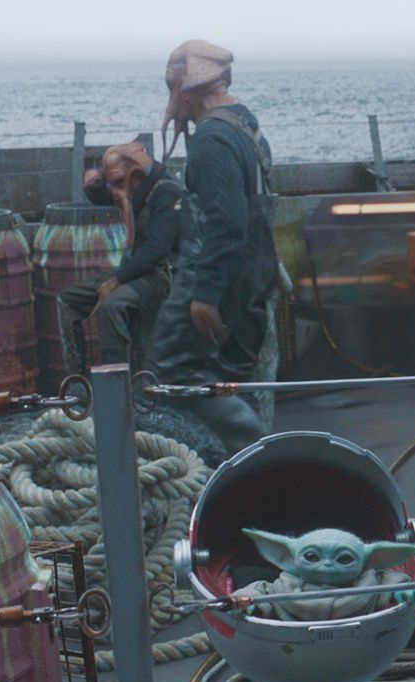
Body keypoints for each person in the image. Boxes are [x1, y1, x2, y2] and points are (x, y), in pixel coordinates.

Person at [150, 39, 279, 451]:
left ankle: (259, 460)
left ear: (189, 87)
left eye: (174, 86)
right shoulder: (246, 127)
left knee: (178, 373)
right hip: (251, 277)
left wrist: (205, 295)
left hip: (218, 283)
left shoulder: (211, 141)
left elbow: (225, 223)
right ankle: (243, 470)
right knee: (229, 377)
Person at [56, 142, 182, 374]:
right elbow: (108, 197)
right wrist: (93, 188)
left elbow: (158, 248)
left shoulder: (166, 193)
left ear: (134, 176)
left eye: (117, 181)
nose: (114, 190)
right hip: (132, 272)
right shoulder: (133, 191)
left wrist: (117, 280)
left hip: (159, 276)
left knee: (111, 306)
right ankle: (79, 377)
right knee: (68, 300)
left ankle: (118, 379)